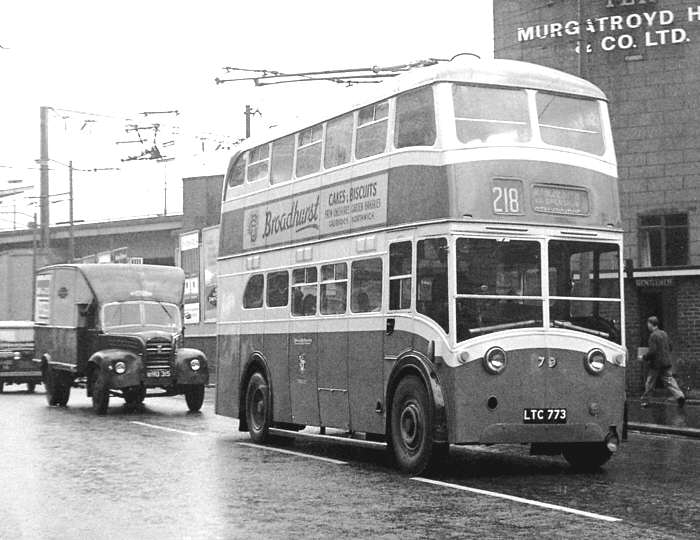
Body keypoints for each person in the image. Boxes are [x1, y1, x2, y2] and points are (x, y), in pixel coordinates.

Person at [641, 316, 685, 408]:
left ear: (651, 324)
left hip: (656, 364)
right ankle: (679, 395)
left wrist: (645, 357)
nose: (647, 326)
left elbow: (653, 351)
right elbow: (670, 346)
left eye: (648, 324)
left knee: (650, 382)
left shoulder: (653, 335)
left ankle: (646, 401)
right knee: (670, 381)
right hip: (666, 362)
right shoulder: (664, 333)